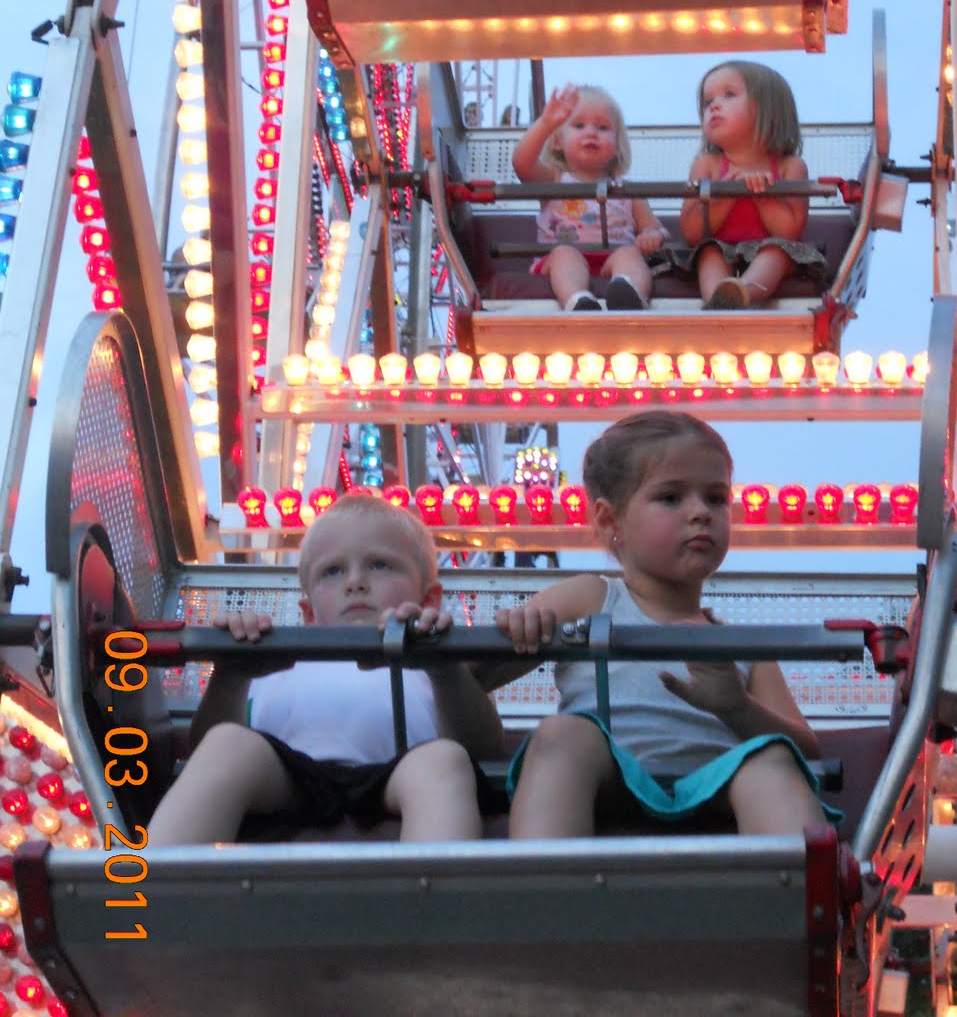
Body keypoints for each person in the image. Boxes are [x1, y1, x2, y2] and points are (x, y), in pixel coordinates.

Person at [493, 411, 833, 837]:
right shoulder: (590, 597)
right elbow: (478, 673)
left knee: (771, 762)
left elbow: (805, 751)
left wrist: (737, 707)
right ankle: (538, 886)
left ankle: (805, 894)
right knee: (562, 735)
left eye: (715, 498)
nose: (700, 513)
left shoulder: (739, 645)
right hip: (608, 778)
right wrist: (521, 626)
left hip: (715, 785)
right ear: (609, 521)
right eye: (671, 498)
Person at [146, 492, 503, 844]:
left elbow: (482, 748)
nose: (355, 581)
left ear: (428, 599)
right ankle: (155, 884)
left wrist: (445, 670)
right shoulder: (277, 657)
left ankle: (439, 890)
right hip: (289, 775)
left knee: (443, 761)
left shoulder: (430, 656)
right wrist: (231, 675)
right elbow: (204, 746)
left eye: (380, 564)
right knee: (227, 743)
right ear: (309, 612)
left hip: (398, 772)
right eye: (332, 571)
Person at [680, 59, 822, 309]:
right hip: (720, 245)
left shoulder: (791, 167)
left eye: (729, 95)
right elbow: (692, 233)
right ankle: (716, 298)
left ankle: (740, 292)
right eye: (708, 101)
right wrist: (725, 195)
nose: (714, 107)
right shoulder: (707, 165)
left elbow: (789, 232)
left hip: (772, 248)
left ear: (767, 108)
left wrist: (762, 197)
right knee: (709, 251)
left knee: (777, 251)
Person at [513, 83, 667, 312]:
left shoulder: (628, 193)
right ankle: (577, 301)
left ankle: (630, 295)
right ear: (557, 142)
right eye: (579, 125)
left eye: (603, 127)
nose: (591, 132)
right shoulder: (553, 181)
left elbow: (655, 228)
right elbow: (522, 164)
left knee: (630, 254)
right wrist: (546, 123)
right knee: (564, 253)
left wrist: (652, 236)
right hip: (565, 259)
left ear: (617, 146)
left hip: (612, 259)